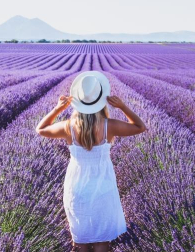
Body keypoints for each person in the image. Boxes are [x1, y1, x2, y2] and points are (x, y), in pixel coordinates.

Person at [36, 71, 146, 252]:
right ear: (102, 100)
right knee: (102, 238)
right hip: (104, 185)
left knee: (81, 238)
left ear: (78, 101)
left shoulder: (68, 126)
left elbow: (41, 129)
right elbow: (140, 127)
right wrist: (123, 106)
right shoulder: (108, 126)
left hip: (77, 186)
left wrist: (58, 109)